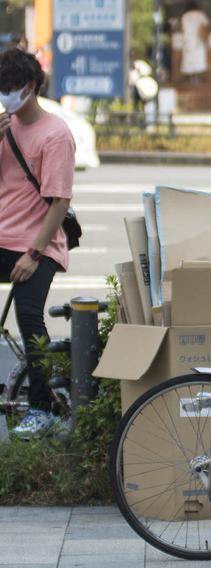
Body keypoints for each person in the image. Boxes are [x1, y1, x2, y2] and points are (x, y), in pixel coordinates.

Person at [0, 48, 75, 437]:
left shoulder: (55, 134)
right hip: (3, 235)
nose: (5, 95)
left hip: (38, 241)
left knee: (29, 317)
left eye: (10, 88)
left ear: (29, 88)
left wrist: (32, 254)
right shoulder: (5, 127)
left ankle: (42, 407)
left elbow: (60, 201)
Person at [180, 1, 209, 81]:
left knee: (189, 60)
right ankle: (197, 79)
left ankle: (191, 79)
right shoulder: (201, 15)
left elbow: (182, 29)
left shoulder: (184, 16)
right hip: (198, 41)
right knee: (198, 61)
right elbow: (205, 27)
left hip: (187, 41)